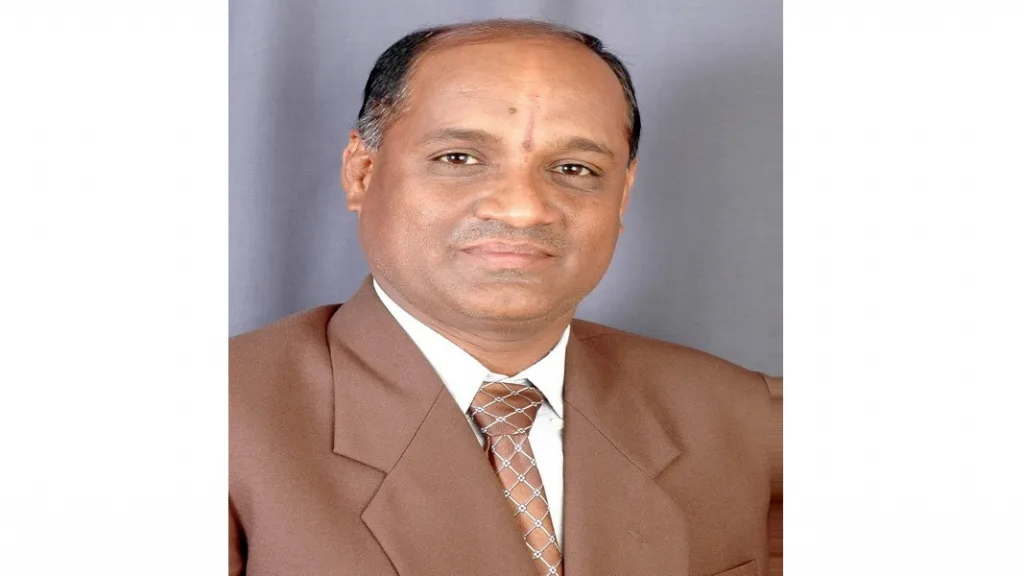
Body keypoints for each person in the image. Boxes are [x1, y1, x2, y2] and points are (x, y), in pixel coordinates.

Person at [230, 18, 782, 576]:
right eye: (459, 158)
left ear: (622, 196)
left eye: (574, 168)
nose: (521, 208)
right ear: (362, 172)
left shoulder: (750, 419)